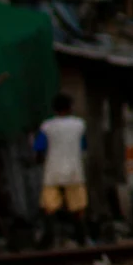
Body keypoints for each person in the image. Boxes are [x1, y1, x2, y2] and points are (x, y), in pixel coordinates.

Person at [33, 94, 88, 248]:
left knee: (50, 207)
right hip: (74, 171)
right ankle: (81, 238)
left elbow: (39, 149)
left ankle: (49, 238)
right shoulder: (79, 125)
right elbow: (83, 147)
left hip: (53, 171)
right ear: (70, 107)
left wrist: (38, 161)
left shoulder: (47, 127)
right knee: (77, 207)